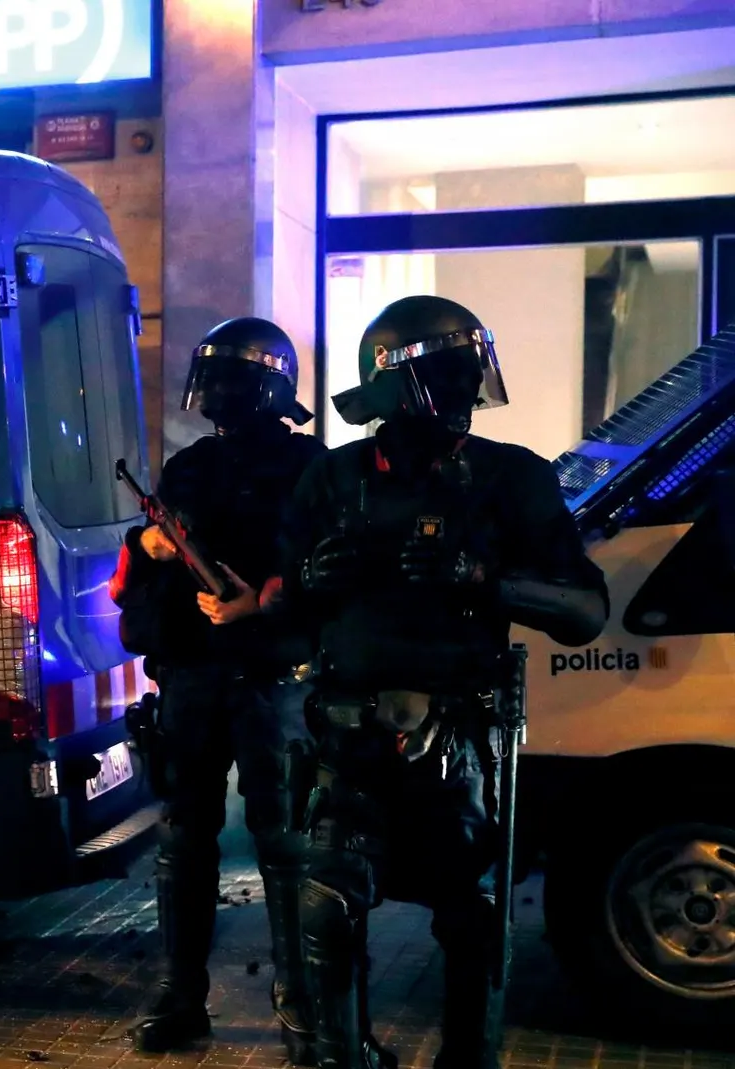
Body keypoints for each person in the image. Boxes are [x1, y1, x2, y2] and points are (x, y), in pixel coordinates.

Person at [268, 296, 608, 1069]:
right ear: (396, 382)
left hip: (461, 742)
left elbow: (585, 608)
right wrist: (309, 584)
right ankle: (344, 1054)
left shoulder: (508, 477)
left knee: (473, 916)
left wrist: (487, 581)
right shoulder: (332, 477)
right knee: (327, 904)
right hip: (348, 734)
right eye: (447, 373)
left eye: (468, 372)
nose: (464, 390)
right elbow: (277, 622)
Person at [112, 317, 326, 1061]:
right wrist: (150, 543)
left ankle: (303, 1000)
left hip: (273, 680)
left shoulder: (310, 466)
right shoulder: (191, 466)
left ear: (270, 386)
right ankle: (181, 995)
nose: (221, 394)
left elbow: (326, 566)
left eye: (236, 380)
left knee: (287, 844)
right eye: (217, 379)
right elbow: (139, 571)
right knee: (184, 840)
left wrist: (260, 600)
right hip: (196, 680)